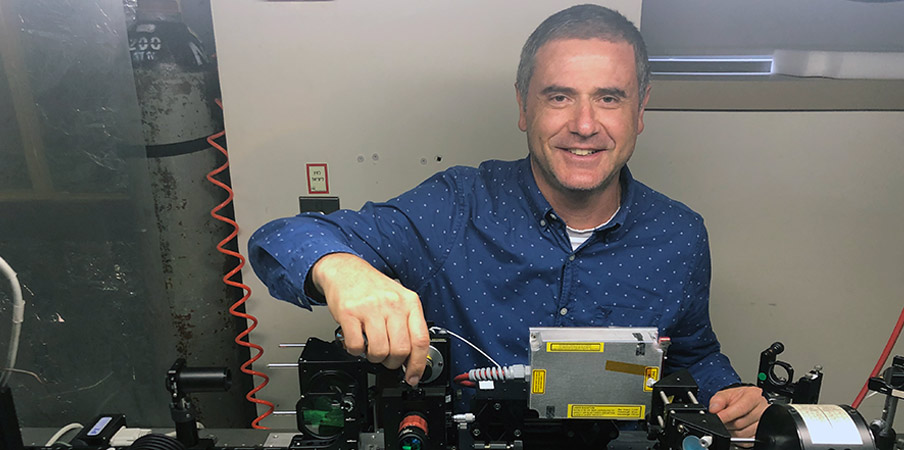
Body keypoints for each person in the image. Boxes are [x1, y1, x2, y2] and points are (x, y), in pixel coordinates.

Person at [248, 3, 769, 440]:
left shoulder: (678, 235)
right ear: (524, 106)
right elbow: (278, 240)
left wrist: (729, 394)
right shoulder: (456, 205)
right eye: (559, 96)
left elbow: (694, 353)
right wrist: (343, 270)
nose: (584, 125)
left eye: (609, 98)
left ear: (639, 110)